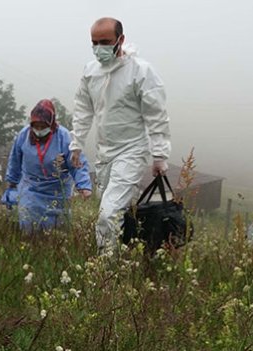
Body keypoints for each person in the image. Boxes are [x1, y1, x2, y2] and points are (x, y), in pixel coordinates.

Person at [69, 17, 171, 254]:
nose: (99, 48)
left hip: (132, 150)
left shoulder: (140, 72)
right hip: (104, 153)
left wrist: (159, 156)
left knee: (109, 212)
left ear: (121, 40)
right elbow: (83, 109)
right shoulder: (91, 71)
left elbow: (156, 115)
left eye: (105, 42)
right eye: (94, 43)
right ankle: (133, 255)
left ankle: (105, 269)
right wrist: (77, 145)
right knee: (117, 211)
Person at [6, 99, 92, 234]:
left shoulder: (64, 137)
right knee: (29, 224)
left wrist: (83, 185)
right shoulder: (24, 135)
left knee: (58, 230)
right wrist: (12, 182)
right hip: (31, 188)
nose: (39, 130)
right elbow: (15, 159)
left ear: (51, 124)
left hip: (57, 190)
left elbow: (77, 162)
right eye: (36, 126)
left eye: (43, 126)